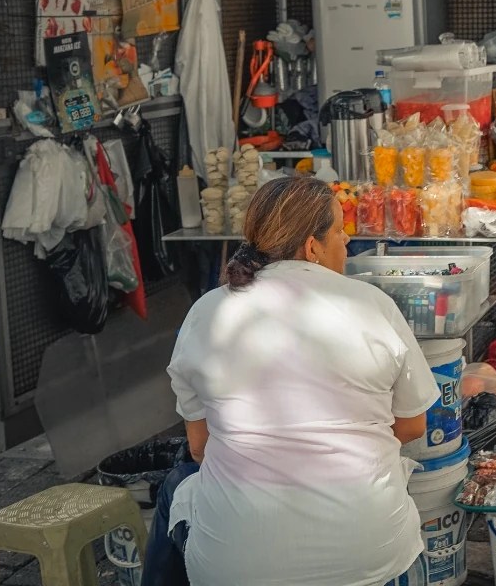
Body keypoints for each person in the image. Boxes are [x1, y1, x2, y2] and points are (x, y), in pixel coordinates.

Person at [141, 176, 440, 586]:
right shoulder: (374, 307)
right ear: (312, 247)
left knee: (177, 488)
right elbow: (412, 425)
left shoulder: (206, 312)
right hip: (369, 555)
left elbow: (199, 447)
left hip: (236, 567)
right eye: (339, 230)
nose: (347, 240)